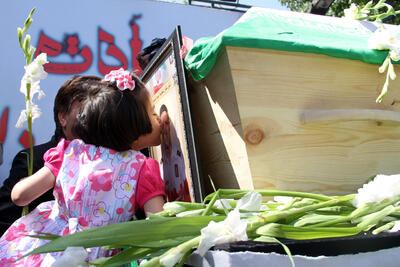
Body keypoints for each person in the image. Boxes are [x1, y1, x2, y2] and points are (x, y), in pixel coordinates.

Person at [0, 69, 166, 266]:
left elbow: (20, 196)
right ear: (138, 124)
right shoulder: (142, 168)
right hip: (100, 255)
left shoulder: (68, 152)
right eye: (152, 113)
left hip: (49, 247)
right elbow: (159, 228)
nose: (157, 119)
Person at [0, 75, 97, 236]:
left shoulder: (114, 158)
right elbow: (5, 217)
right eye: (88, 109)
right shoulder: (33, 160)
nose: (97, 115)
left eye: (103, 107)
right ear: (63, 117)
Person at [159, 104, 190, 202]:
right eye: (162, 124)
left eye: (167, 123)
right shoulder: (161, 161)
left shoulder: (179, 155)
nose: (165, 128)